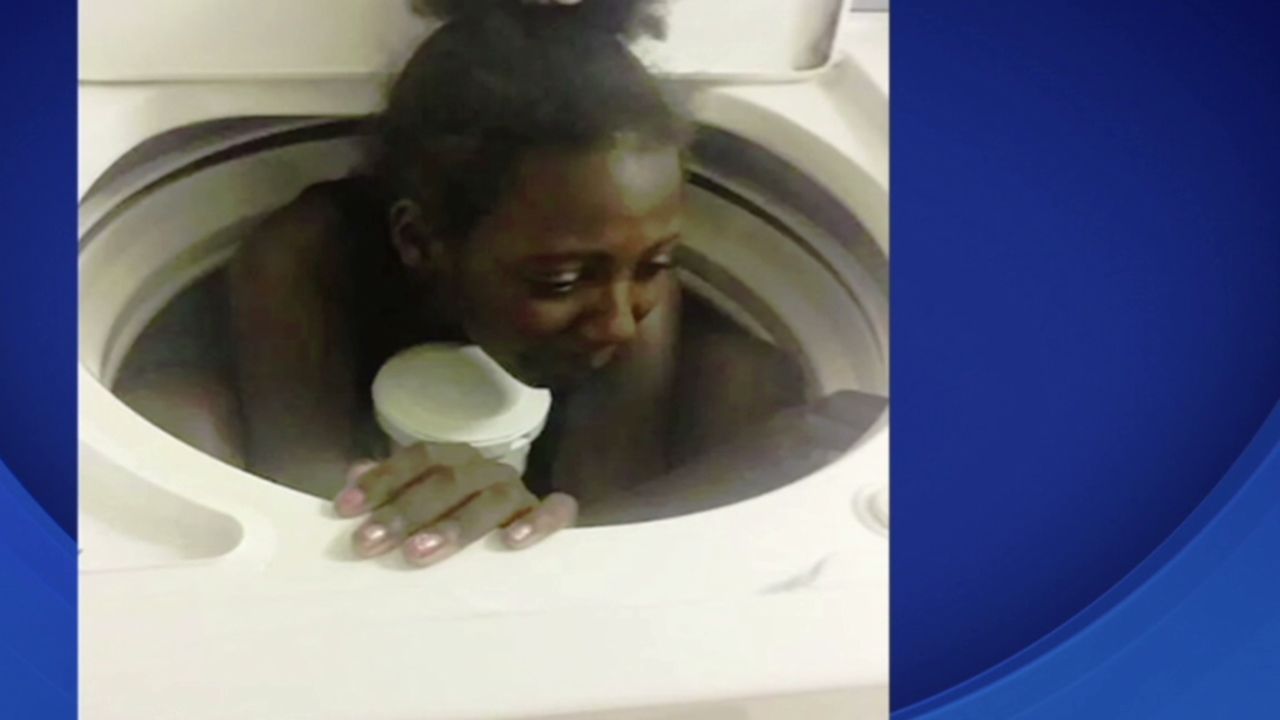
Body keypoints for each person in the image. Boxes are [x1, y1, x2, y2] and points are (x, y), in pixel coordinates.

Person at [115, 0, 868, 568]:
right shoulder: (303, 256)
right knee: (177, 412)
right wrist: (436, 504)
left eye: (654, 263)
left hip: (544, 497)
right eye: (564, 278)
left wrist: (525, 519)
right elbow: (308, 494)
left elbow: (605, 495)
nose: (617, 320)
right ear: (420, 240)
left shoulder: (627, 298)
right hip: (367, 481)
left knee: (750, 377)